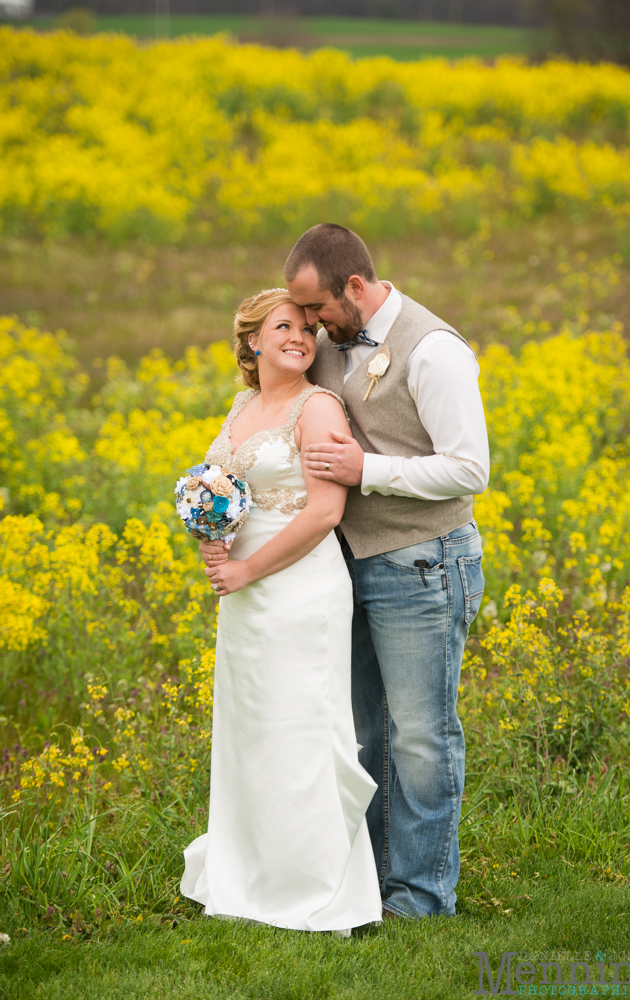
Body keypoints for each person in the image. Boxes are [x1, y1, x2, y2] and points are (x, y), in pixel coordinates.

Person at [284, 223, 490, 920]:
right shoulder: (334, 345)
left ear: (354, 285)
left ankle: (423, 897)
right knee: (363, 732)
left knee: (421, 735)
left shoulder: (433, 350)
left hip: (423, 564)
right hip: (347, 568)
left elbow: (469, 468)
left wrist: (365, 471)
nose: (309, 326)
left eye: (315, 309)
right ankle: (366, 887)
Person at [181, 288, 382, 933]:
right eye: (284, 326)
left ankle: (316, 887)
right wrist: (213, 531)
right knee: (253, 729)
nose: (301, 336)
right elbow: (227, 488)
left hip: (299, 590)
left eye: (306, 327)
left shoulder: (317, 406)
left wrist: (244, 567)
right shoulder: (243, 405)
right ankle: (253, 873)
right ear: (252, 341)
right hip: (245, 597)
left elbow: (325, 511)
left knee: (301, 728)